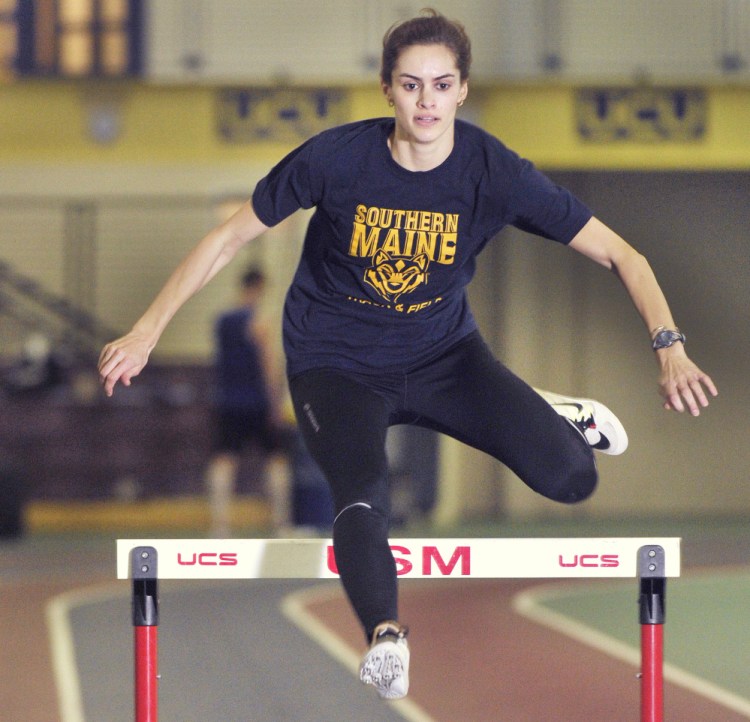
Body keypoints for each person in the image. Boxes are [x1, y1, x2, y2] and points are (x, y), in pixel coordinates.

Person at [98, 9, 717, 701]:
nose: (426, 102)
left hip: (442, 358)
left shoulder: (494, 172)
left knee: (573, 479)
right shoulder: (334, 159)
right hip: (335, 362)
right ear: (387, 89)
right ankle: (386, 637)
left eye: (441, 85)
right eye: (411, 85)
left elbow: (621, 254)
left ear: (462, 90)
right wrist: (148, 328)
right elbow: (227, 239)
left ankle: (549, 411)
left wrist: (671, 347)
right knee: (363, 491)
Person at [204, 267, 289, 537]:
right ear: (259, 287)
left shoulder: (222, 320)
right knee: (276, 459)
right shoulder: (258, 321)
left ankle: (219, 525)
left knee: (223, 459)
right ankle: (281, 523)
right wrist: (275, 401)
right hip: (257, 401)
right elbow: (267, 362)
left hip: (228, 400)